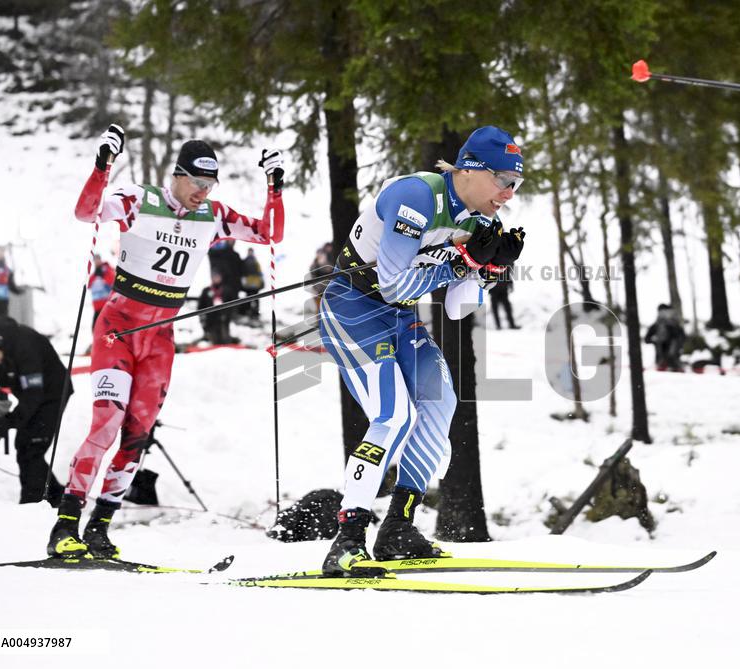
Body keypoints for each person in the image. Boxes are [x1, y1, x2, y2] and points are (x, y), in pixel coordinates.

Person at [46, 124, 286, 559]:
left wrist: (275, 185)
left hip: (159, 338)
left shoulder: (211, 215)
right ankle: (65, 523)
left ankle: (100, 525)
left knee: (136, 436)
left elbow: (269, 233)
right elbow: (86, 213)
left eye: (210, 184)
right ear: (176, 175)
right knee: (106, 424)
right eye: (196, 182)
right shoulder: (141, 199)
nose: (203, 191)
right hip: (119, 328)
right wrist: (103, 165)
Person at [319, 125, 526, 574]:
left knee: (439, 402)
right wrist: (463, 262)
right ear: (471, 169)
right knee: (393, 415)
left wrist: (487, 272)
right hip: (353, 309)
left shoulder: (482, 221)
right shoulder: (416, 196)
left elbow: (456, 308)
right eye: (504, 180)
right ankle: (347, 539)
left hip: (398, 319)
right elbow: (393, 285)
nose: (509, 193)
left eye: (516, 184)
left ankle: (398, 527)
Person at [0, 319, 71, 506]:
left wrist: (3, 423)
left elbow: (33, 397)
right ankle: (57, 497)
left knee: (31, 448)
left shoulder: (24, 346)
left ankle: (33, 503)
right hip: (30, 395)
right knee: (24, 447)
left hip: (52, 394)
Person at [645, 303, 686, 372]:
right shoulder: (656, 326)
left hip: (672, 362)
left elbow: (683, 338)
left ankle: (670, 362)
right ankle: (665, 362)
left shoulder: (675, 326)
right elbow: (647, 339)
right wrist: (655, 340)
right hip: (662, 363)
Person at [197, 270, 231, 344]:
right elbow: (201, 305)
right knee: (213, 338)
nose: (216, 279)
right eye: (214, 277)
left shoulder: (226, 290)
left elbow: (232, 305)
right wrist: (202, 317)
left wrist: (227, 314)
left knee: (225, 338)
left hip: (223, 319)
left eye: (218, 277)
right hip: (210, 319)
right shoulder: (206, 290)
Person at [88, 254, 116, 329]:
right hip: (97, 307)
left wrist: (103, 275)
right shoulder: (95, 274)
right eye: (95, 260)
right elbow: (88, 285)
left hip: (106, 305)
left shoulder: (107, 270)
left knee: (106, 328)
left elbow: (112, 281)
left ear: (100, 260)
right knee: (95, 328)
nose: (96, 262)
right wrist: (95, 275)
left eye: (98, 260)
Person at [488, 265, 519, 329]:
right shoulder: (494, 262)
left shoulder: (506, 265)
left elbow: (508, 275)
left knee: (507, 308)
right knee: (495, 308)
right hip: (494, 290)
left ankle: (512, 325)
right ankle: (498, 325)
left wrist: (510, 284)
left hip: (503, 290)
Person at [239, 248, 265, 319]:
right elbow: (243, 271)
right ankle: (250, 311)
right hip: (249, 283)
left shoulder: (254, 261)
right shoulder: (251, 261)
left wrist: (261, 280)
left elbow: (259, 272)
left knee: (254, 298)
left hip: (254, 283)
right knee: (250, 298)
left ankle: (255, 312)